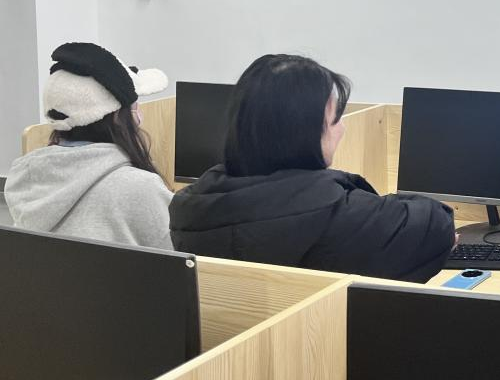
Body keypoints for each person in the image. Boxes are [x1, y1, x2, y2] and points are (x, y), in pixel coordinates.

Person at [169, 54, 455, 281]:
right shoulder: (332, 213)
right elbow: (437, 224)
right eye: (335, 119)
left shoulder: (189, 208)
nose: (342, 129)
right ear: (305, 133)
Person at [5, 42, 173, 249]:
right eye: (134, 108)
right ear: (117, 117)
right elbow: (177, 256)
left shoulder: (25, 177)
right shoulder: (141, 187)